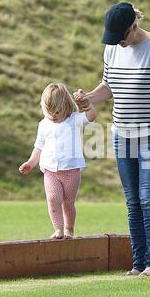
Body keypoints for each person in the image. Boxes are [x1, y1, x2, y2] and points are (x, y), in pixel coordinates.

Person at [74, 2, 150, 277]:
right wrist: (87, 98)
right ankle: (137, 264)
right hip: (123, 134)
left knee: (148, 197)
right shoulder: (112, 48)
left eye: (121, 37)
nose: (118, 44)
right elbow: (108, 86)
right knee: (132, 200)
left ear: (133, 27)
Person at [19, 82, 97, 239]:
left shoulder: (73, 120)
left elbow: (91, 117)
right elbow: (39, 147)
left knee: (68, 203)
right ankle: (58, 229)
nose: (53, 115)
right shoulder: (43, 125)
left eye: (57, 111)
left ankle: (69, 229)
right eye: (49, 112)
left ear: (66, 106)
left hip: (71, 171)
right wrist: (30, 163)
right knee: (53, 199)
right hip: (50, 171)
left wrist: (88, 105)